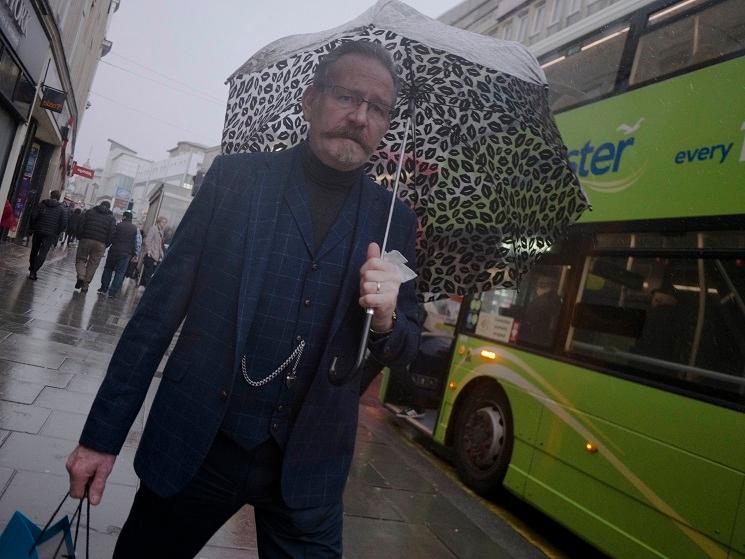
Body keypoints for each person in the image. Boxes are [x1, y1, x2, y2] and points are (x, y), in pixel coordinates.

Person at [66, 40, 420, 558]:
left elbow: (406, 347)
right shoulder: (236, 181)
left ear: (387, 124)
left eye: (378, 108)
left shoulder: (394, 221)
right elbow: (156, 315)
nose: (360, 116)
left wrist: (388, 318)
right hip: (199, 442)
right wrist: (101, 436)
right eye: (348, 96)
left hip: (309, 467)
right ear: (310, 99)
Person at [98, 210, 141, 299]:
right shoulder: (135, 229)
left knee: (108, 269)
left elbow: (111, 236)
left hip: (114, 250)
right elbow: (137, 243)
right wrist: (136, 254)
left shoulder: (118, 225)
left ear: (124, 217)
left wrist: (108, 244)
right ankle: (112, 293)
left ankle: (103, 289)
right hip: (126, 253)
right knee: (120, 273)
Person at [75, 200, 116, 292]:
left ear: (100, 205)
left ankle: (81, 276)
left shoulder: (89, 212)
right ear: (109, 208)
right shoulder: (111, 218)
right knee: (93, 264)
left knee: (81, 259)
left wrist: (80, 236)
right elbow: (112, 233)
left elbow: (81, 224)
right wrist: (106, 244)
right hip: (100, 244)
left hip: (86, 239)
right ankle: (85, 285)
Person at [27, 189, 68, 280]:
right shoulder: (62, 209)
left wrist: (32, 228)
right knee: (43, 252)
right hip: (50, 234)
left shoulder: (42, 204)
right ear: (59, 197)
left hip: (38, 230)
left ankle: (32, 267)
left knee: (34, 250)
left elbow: (33, 216)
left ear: (50, 196)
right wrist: (57, 232)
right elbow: (64, 223)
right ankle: (34, 272)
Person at [138, 216, 167, 289]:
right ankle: (146, 288)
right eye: (163, 222)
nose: (164, 224)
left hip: (156, 256)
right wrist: (149, 251)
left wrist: (162, 254)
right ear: (159, 222)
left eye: (165, 223)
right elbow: (148, 240)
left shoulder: (161, 231)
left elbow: (159, 244)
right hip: (151, 255)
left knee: (150, 273)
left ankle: (143, 287)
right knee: (148, 273)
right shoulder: (154, 228)